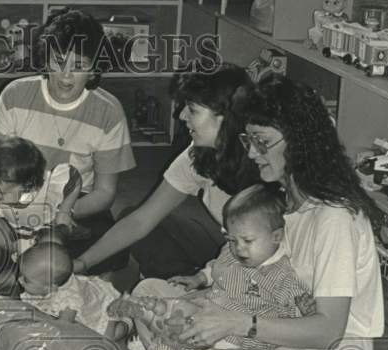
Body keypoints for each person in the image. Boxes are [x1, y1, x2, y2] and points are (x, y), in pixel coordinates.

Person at [123, 75, 385, 350]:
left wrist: (233, 322)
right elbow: (256, 278)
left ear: (298, 142)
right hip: (269, 332)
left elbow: (328, 332)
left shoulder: (334, 217)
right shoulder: (282, 200)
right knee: (149, 292)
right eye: (248, 140)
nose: (250, 152)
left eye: (261, 142)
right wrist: (208, 294)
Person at [108, 183, 314, 350]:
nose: (238, 249)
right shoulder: (232, 252)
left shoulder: (282, 274)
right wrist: (200, 278)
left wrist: (305, 306)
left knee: (178, 328)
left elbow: (296, 313)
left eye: (247, 241)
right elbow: (217, 266)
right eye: (231, 240)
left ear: (276, 237)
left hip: (240, 342)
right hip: (209, 312)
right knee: (160, 304)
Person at [0, 8, 136, 273]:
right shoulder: (15, 94)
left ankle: (33, 264)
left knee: (110, 251)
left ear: (94, 68)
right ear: (46, 59)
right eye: (59, 60)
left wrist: (61, 213)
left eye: (79, 65)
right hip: (16, 197)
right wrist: (14, 208)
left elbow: (105, 193)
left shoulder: (109, 111)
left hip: (75, 204)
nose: (65, 76)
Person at [73, 64, 260, 280]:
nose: (180, 116)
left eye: (192, 109)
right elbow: (141, 220)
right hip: (228, 246)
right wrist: (82, 262)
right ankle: (179, 284)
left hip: (262, 260)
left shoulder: (262, 161)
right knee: (137, 222)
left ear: (225, 117)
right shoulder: (199, 153)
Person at [0, 137, 81, 294]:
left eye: (2, 192)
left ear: (28, 186)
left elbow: (74, 178)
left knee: (52, 249)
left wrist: (65, 211)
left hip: (42, 232)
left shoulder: (47, 191)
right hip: (16, 232)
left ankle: (43, 286)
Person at [18, 241, 131, 343]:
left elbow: (63, 329)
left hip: (99, 309)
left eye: (26, 279)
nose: (19, 279)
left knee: (106, 339)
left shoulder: (68, 301)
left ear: (50, 288)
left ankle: (127, 322)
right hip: (85, 292)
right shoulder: (45, 283)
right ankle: (105, 279)